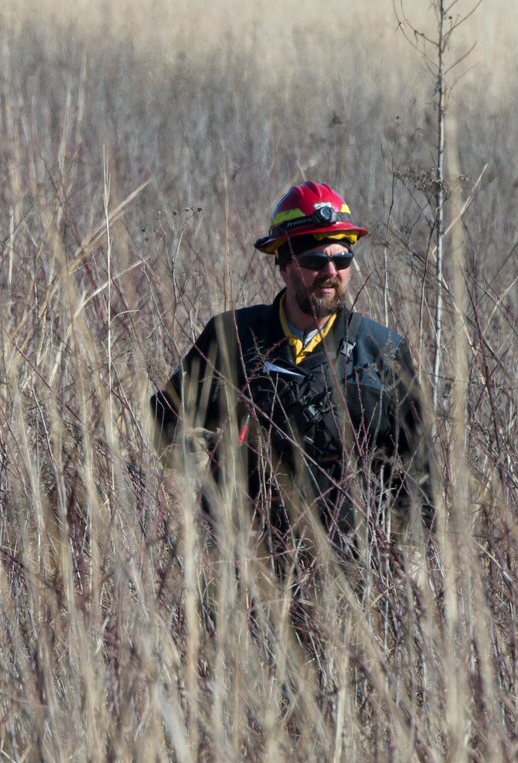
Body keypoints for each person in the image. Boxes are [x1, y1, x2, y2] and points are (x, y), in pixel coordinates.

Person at [151, 181, 434, 560]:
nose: (331, 272)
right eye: (315, 261)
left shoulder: (382, 351)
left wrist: (401, 558)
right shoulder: (231, 338)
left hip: (348, 575)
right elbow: (162, 421)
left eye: (343, 259)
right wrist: (199, 459)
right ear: (284, 266)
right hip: (242, 571)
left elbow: (421, 472)